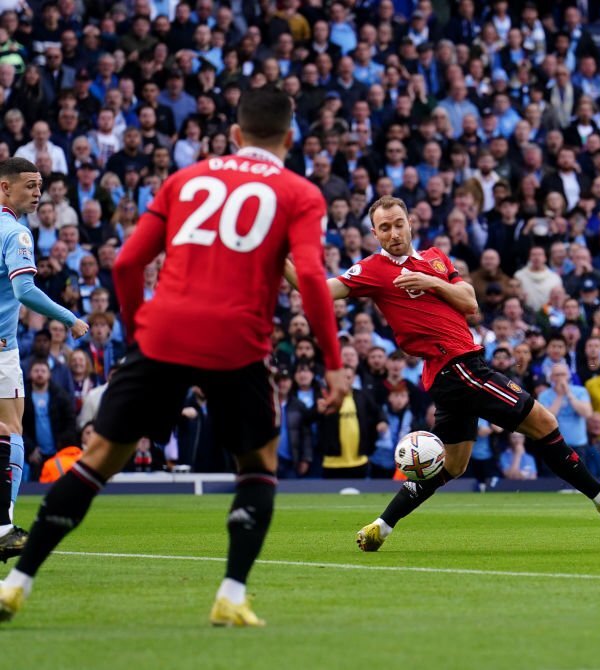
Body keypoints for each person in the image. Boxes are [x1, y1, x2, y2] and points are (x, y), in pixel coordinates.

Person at [0, 89, 345, 627]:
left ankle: (16, 585)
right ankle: (231, 594)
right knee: (259, 468)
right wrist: (333, 362)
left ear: (234, 134)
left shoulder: (185, 179)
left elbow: (129, 263)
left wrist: (140, 333)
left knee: (96, 463)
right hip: (237, 343)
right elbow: (312, 287)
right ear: (291, 137)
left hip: (163, 335)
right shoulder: (300, 193)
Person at [284, 196, 600, 553]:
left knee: (452, 466)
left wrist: (431, 283)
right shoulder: (374, 269)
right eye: (384, 228)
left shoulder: (434, 259)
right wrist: (277, 260)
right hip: (457, 367)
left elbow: (469, 301)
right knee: (543, 420)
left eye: (397, 224)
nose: (393, 233)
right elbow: (314, 288)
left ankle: (382, 526)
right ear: (375, 234)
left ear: (410, 223)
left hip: (451, 373)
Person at [0, 158, 88, 564]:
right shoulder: (15, 233)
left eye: (40, 185)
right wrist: (69, 317)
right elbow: (25, 292)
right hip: (1, 348)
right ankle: (3, 526)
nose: (38, 192)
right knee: (10, 429)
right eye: (31, 185)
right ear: (5, 188)